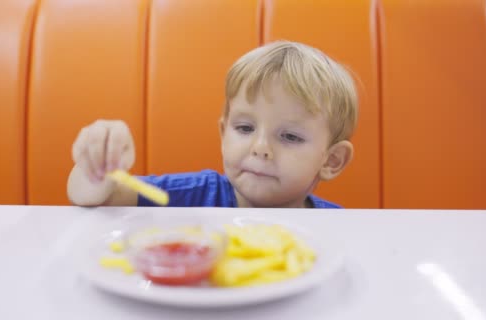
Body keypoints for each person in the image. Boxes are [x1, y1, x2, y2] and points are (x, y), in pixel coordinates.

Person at [67, 40, 358, 208]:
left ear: (331, 160)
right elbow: (98, 199)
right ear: (223, 134)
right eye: (245, 129)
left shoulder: (336, 227)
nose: (260, 148)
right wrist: (98, 166)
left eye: (290, 136)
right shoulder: (193, 195)